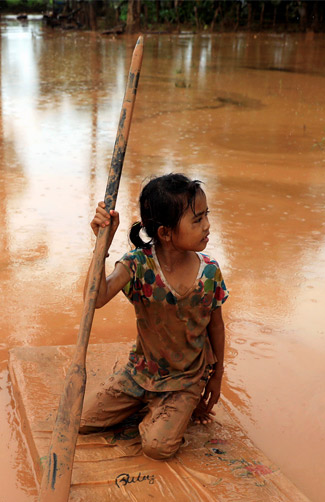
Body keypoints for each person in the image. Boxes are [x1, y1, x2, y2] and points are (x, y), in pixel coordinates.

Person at [81, 173, 228, 460]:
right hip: (140, 373)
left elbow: (217, 327)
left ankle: (173, 407)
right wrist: (103, 243)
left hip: (185, 379)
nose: (207, 226)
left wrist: (216, 377)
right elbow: (95, 299)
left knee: (157, 448)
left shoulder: (209, 272)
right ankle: (150, 405)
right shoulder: (138, 263)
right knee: (83, 423)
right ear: (165, 233)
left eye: (205, 216)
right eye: (197, 220)